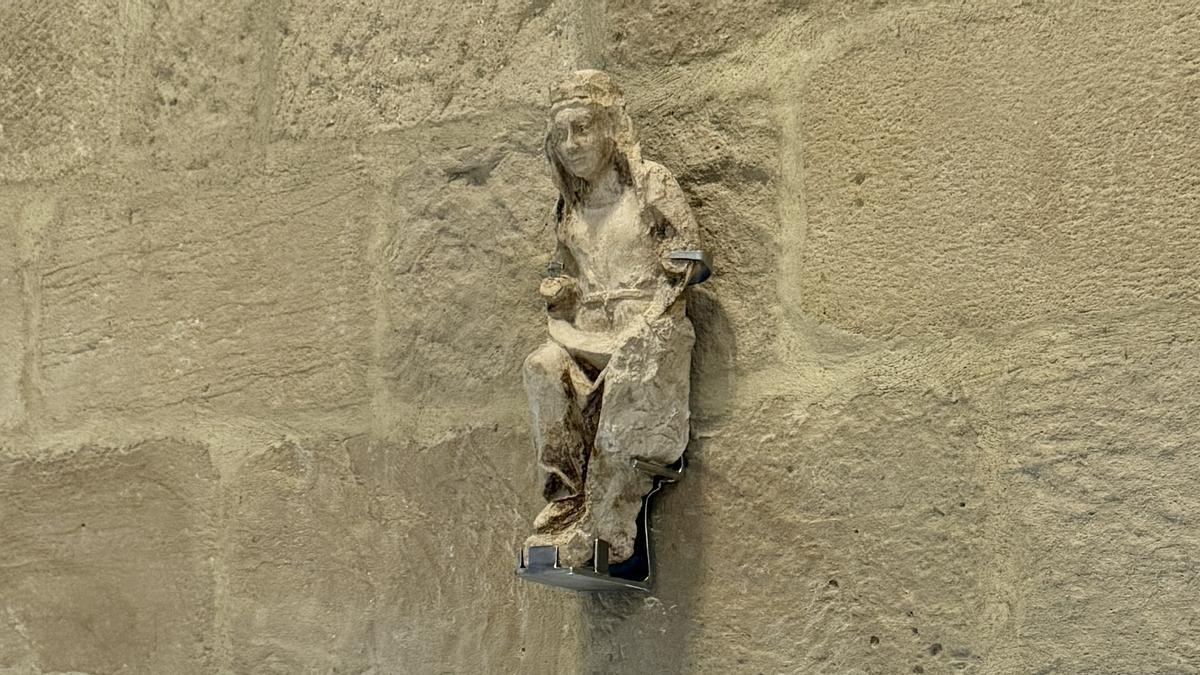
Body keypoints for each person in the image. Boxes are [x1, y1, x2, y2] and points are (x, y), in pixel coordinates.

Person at [522, 70, 701, 566]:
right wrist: (561, 292)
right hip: (589, 334)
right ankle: (567, 500)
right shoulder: (570, 206)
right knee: (541, 365)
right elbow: (567, 273)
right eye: (560, 136)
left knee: (628, 373)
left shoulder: (649, 184)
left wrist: (671, 281)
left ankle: (608, 522)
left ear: (610, 129)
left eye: (582, 129)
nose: (572, 145)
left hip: (647, 331)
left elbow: (689, 256)